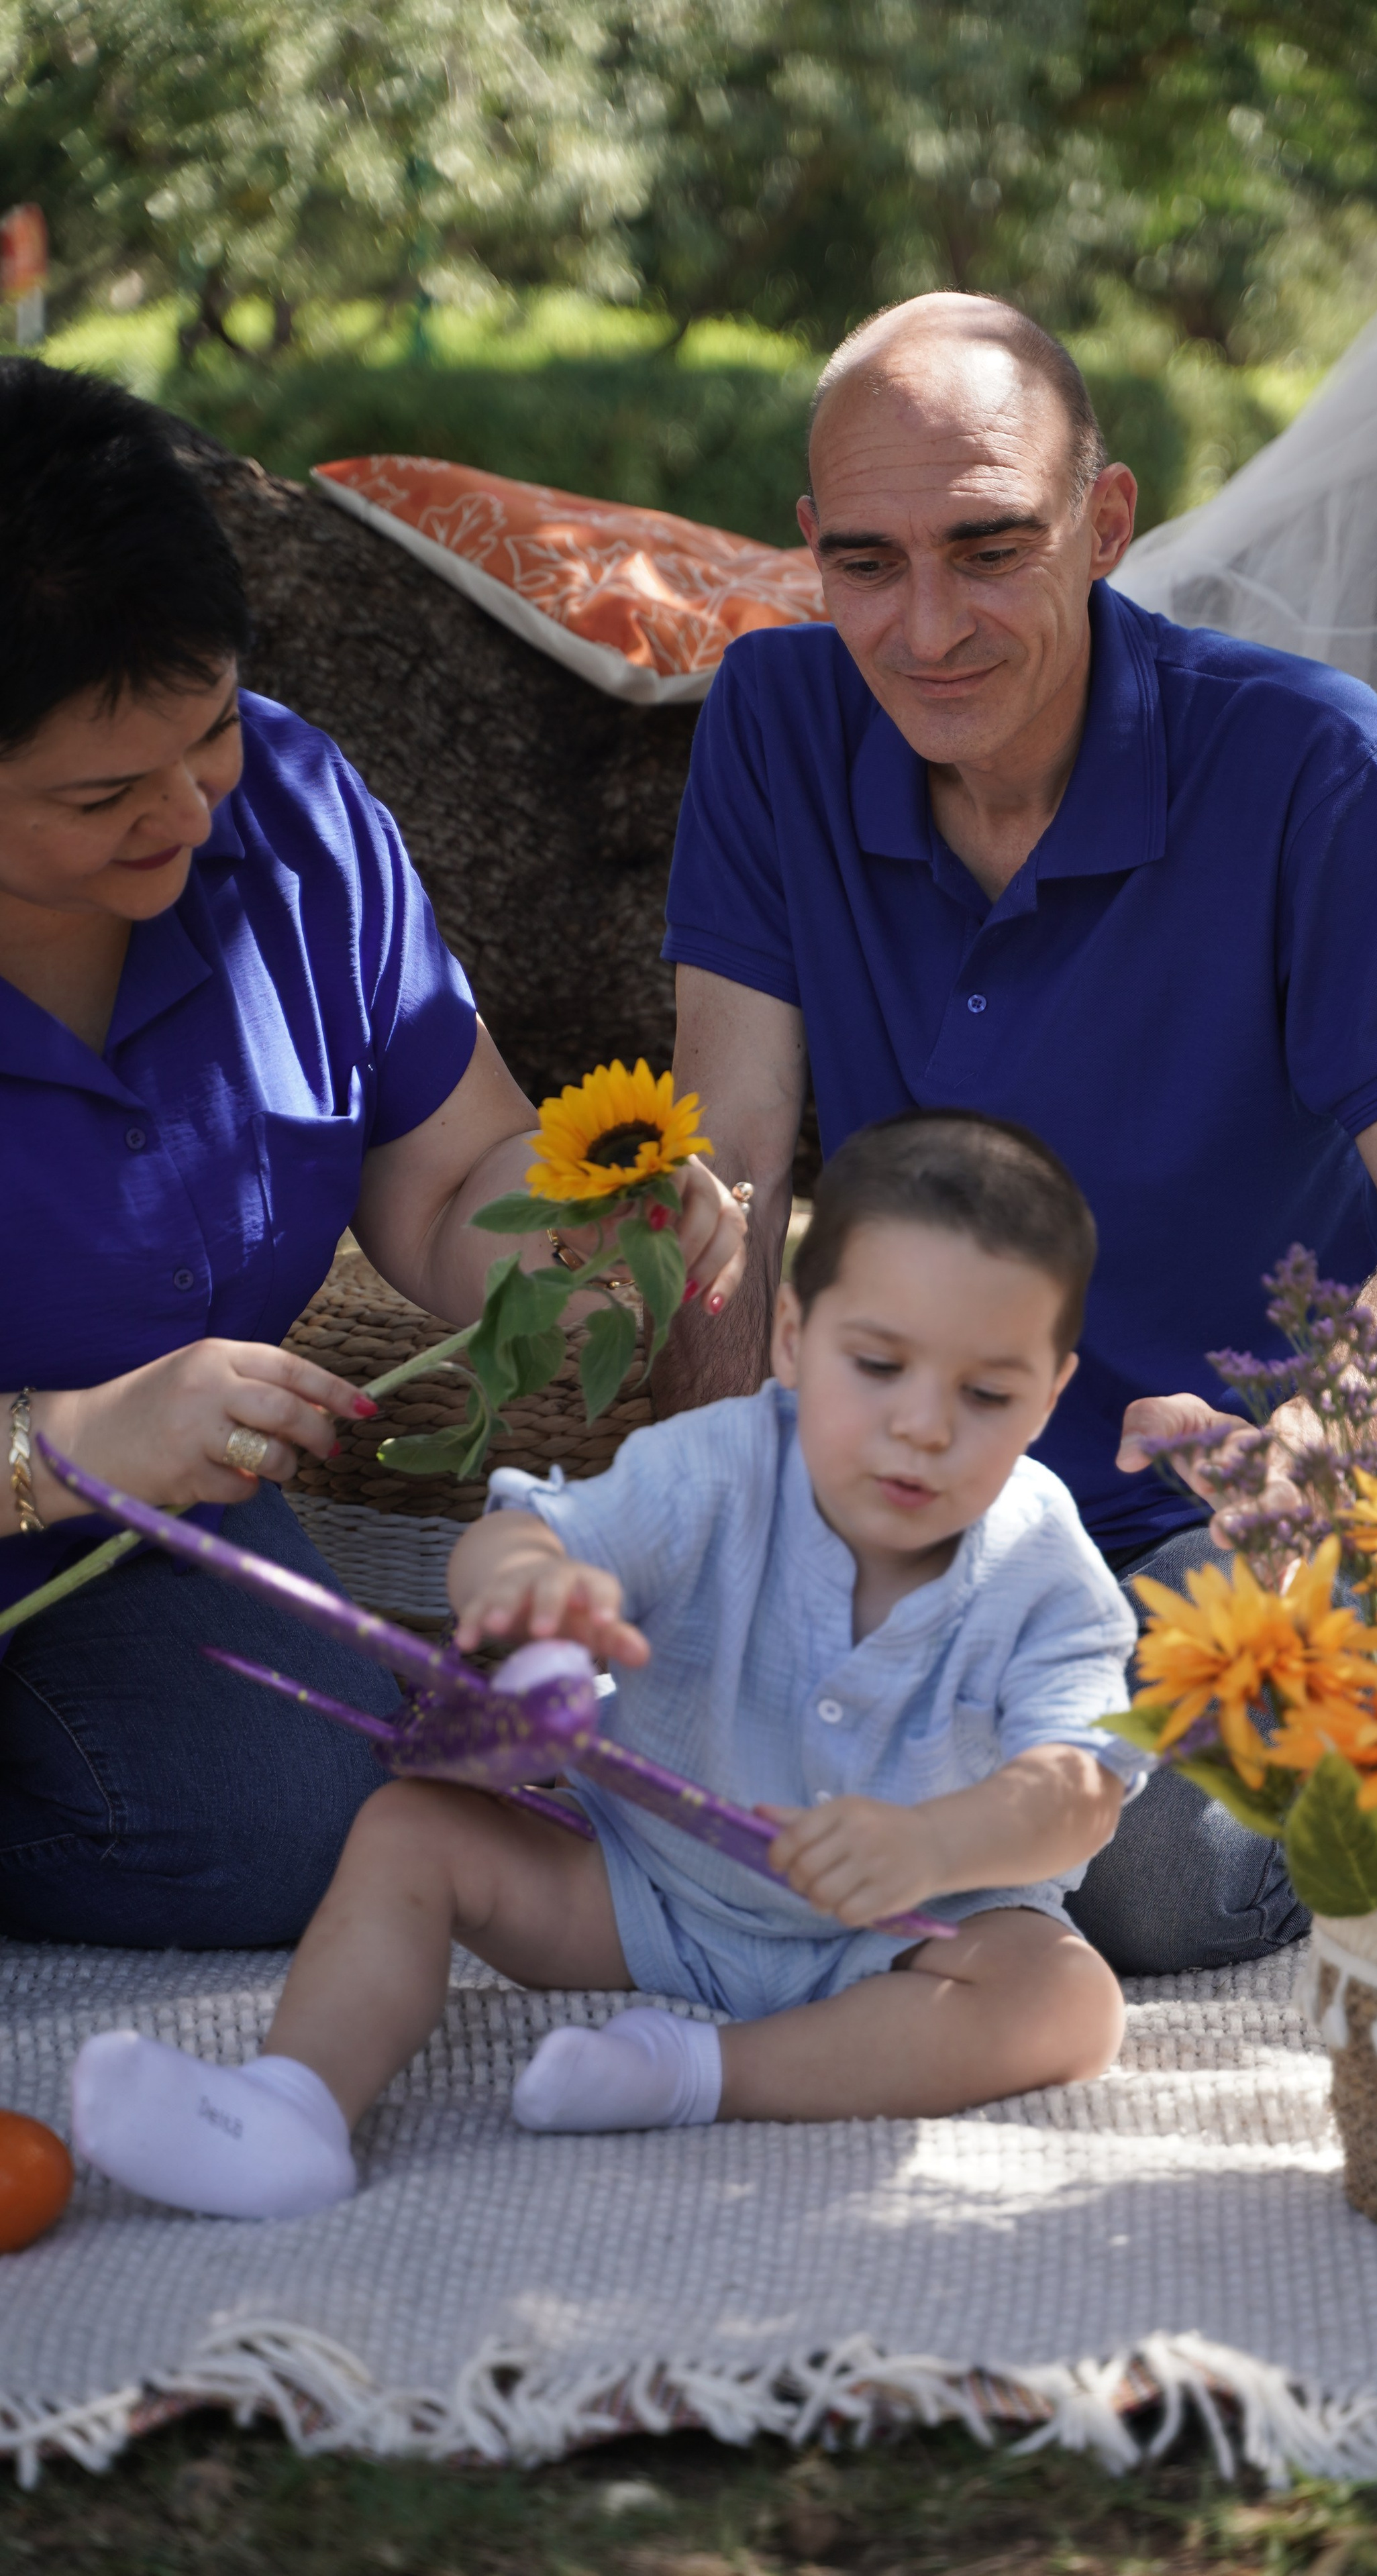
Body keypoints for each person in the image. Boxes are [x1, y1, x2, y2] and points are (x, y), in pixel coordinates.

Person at [657, 290, 1377, 1977]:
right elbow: (726, 1164)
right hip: (923, 1491)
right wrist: (724, 1526)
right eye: (866, 562)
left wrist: (1312, 1438)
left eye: (987, 549)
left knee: (1133, 1879)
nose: (923, 627)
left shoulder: (1310, 767)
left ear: (1103, 524)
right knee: (633, 1758)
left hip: (1230, 1505)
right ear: (811, 551)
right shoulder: (772, 722)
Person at [0, 359, 746, 1949]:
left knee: (296, 1820)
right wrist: (49, 1452)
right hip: (61, 1483)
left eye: (204, 731)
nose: (193, 812)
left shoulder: (290, 808)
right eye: (100, 795)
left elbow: (447, 1169)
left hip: (135, 1536)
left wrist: (576, 1225)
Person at [70, 1112, 1140, 2218]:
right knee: (408, 1830)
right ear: (790, 1338)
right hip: (647, 1891)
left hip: (904, 1938)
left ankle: (699, 2077)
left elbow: (1082, 1790)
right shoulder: (720, 1468)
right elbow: (525, 1532)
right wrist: (533, 1587)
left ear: (1052, 1393)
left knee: (1067, 2002)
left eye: (986, 1395)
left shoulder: (1041, 1561)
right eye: (877, 1365)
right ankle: (292, 2106)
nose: (922, 1426)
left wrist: (934, 1845)